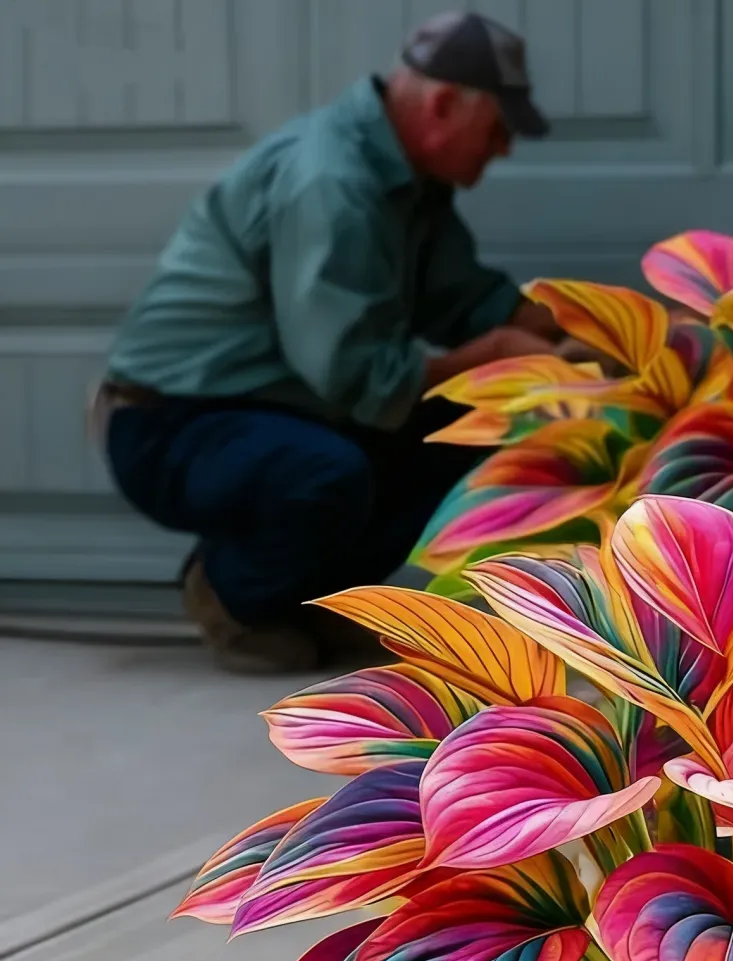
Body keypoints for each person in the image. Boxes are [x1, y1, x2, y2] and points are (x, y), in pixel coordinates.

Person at [98, 12, 574, 674]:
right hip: (171, 422)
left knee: (471, 433)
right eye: (497, 130)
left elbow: (470, 300)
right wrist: (492, 356)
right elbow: (356, 377)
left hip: (279, 411)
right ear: (441, 106)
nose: (503, 151)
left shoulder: (409, 185)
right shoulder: (332, 184)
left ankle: (315, 599)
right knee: (327, 472)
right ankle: (233, 592)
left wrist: (597, 330)